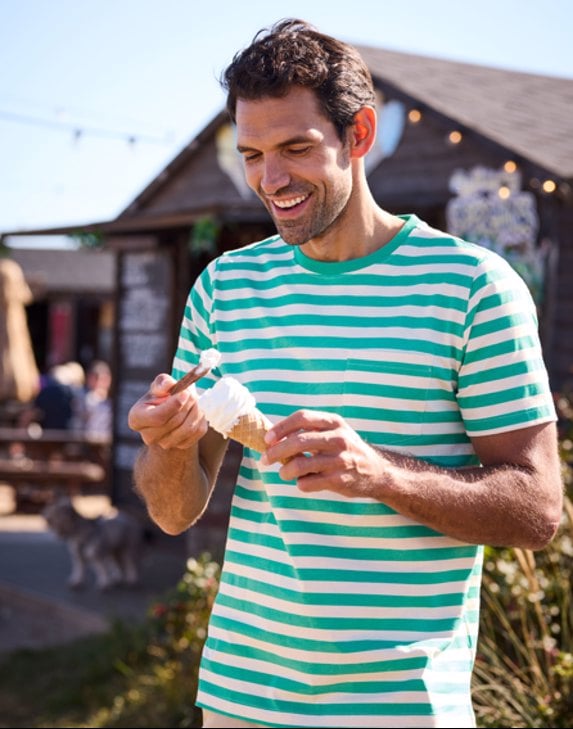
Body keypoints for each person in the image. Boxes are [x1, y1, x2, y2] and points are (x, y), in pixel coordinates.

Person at [127, 19, 563, 728]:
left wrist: (380, 475)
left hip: (397, 707)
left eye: (296, 148)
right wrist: (165, 446)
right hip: (241, 698)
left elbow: (537, 509)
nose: (271, 180)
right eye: (252, 154)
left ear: (358, 134)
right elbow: (174, 511)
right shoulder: (224, 287)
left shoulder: (474, 288)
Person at [73, 359, 113, 437]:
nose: (101, 383)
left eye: (104, 379)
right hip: (88, 440)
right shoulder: (84, 398)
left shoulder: (113, 401)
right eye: (96, 379)